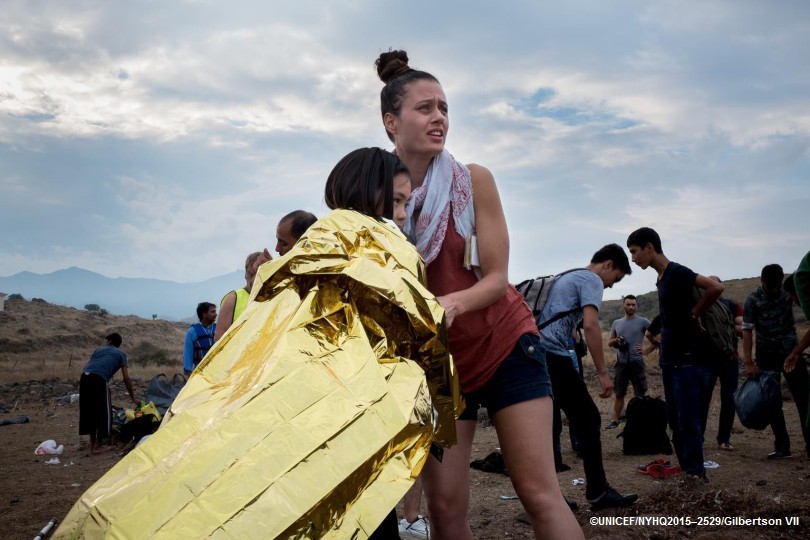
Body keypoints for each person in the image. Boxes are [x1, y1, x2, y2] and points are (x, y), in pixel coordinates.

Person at [376, 49, 581, 539]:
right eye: (425, 108)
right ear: (391, 122)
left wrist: (450, 303)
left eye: (444, 107)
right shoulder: (379, 196)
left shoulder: (472, 181)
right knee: (446, 510)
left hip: (507, 345)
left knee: (537, 492)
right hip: (441, 369)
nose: (439, 117)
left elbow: (496, 277)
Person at [538, 245, 638, 510]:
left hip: (533, 353)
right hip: (551, 355)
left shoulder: (566, 276)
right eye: (615, 278)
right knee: (589, 418)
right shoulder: (591, 279)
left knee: (546, 426)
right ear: (608, 264)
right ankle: (597, 492)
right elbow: (592, 325)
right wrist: (604, 373)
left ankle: (542, 502)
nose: (611, 287)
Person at [626, 227, 723, 481]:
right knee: (675, 422)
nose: (633, 259)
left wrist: (696, 312)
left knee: (688, 420)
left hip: (687, 358)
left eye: (635, 252)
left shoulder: (677, 272)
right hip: (669, 359)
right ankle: (687, 472)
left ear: (650, 246)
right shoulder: (661, 278)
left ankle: (696, 474)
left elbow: (714, 288)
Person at [743, 264, 810, 459]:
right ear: (762, 282)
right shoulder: (753, 300)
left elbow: (804, 306)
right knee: (772, 402)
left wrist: (797, 351)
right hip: (766, 355)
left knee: (804, 399)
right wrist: (748, 362)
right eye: (770, 286)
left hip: (792, 353)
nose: (774, 290)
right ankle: (782, 446)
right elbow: (747, 331)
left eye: (777, 286)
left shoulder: (788, 293)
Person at [79, 333, 139, 454]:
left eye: (106, 341)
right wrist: (133, 398)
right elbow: (126, 378)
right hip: (99, 379)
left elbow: (90, 366)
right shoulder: (121, 354)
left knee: (90, 411)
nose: (105, 343)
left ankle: (92, 446)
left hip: (85, 377)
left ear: (110, 341)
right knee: (103, 412)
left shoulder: (98, 350)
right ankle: (98, 446)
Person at [706, 276, 743, 451]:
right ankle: (698, 438)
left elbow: (743, 330)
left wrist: (725, 326)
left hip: (729, 358)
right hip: (706, 360)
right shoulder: (701, 304)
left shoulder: (732, 306)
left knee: (729, 399)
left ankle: (724, 438)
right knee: (702, 400)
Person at [605, 295, 650, 430]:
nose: (631, 307)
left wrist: (646, 350)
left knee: (640, 393)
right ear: (623, 305)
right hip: (621, 362)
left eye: (633, 305)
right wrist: (617, 340)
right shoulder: (616, 323)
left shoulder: (643, 321)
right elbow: (609, 343)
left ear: (637, 306)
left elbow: (658, 337)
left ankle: (640, 420)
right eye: (628, 304)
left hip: (637, 362)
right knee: (619, 393)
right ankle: (615, 420)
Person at [214, 251, 262, 342]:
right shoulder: (233, 299)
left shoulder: (273, 297)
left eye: (257, 274)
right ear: (245, 274)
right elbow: (219, 337)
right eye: (250, 274)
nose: (253, 279)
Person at [183, 302, 217, 376]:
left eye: (215, 311)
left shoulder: (219, 329)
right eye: (212, 312)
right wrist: (189, 375)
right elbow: (188, 356)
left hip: (218, 372)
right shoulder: (192, 332)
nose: (216, 314)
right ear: (204, 314)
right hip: (200, 374)